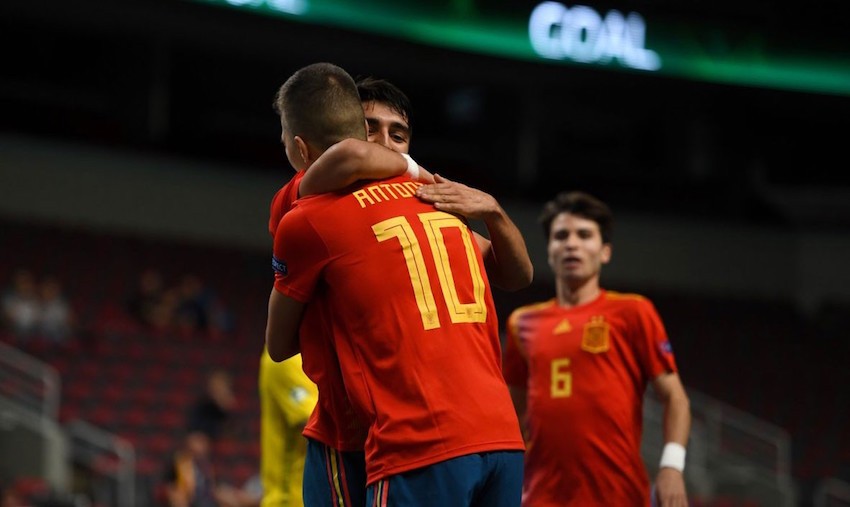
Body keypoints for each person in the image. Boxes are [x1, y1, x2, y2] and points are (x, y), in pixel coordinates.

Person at [266, 62, 531, 507]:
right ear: (350, 131)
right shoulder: (318, 195)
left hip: (407, 436)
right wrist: (419, 173)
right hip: (391, 430)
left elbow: (516, 273)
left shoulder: (425, 205)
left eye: (399, 135)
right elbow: (351, 159)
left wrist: (493, 211)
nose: (385, 144)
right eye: (372, 129)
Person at [502, 191, 691, 507]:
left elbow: (676, 397)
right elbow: (513, 415)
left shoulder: (633, 312)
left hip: (619, 495)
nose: (572, 243)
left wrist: (672, 465)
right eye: (561, 236)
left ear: (605, 252)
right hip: (539, 496)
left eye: (584, 235)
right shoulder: (522, 322)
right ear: (549, 251)